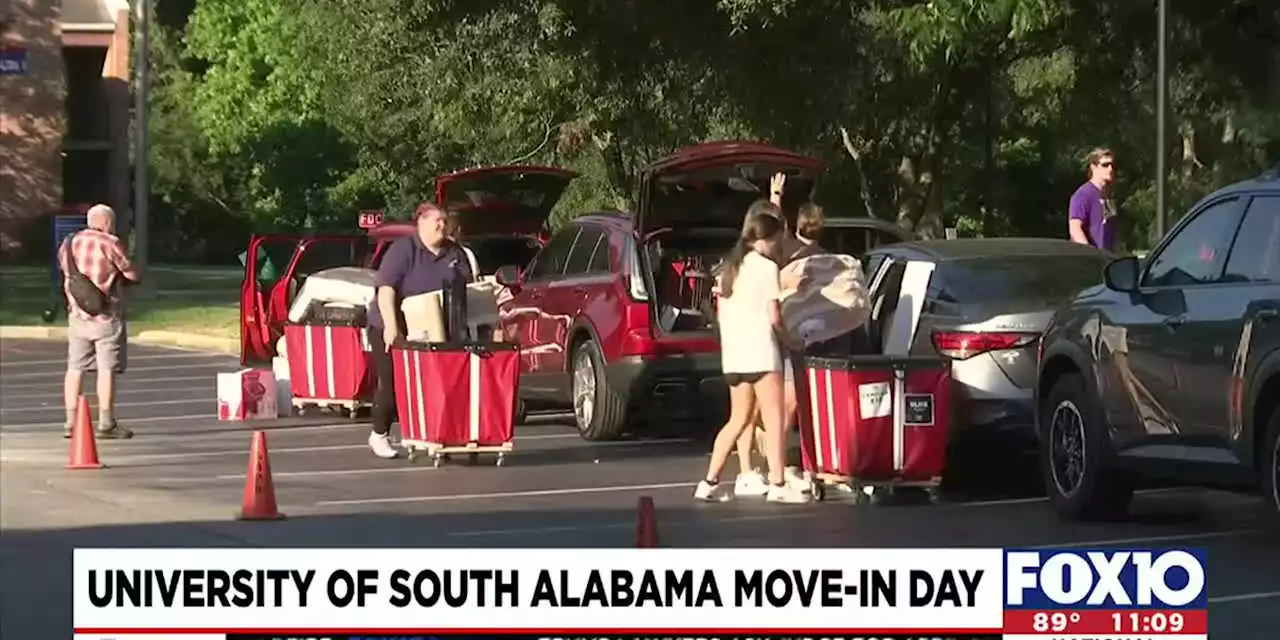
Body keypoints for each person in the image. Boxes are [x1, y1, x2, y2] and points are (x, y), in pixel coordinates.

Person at [696, 212, 810, 504]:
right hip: (761, 353)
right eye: (779, 239)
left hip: (734, 355)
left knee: (737, 420)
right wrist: (791, 341)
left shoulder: (728, 269)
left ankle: (709, 482)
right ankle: (778, 483)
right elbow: (774, 317)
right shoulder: (766, 268)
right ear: (768, 239)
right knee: (774, 420)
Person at [366, 202, 475, 458]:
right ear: (421, 222)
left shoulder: (454, 253)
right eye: (437, 220)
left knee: (438, 383)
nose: (442, 225)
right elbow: (386, 290)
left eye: (444, 220)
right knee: (392, 381)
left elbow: (467, 289)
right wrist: (391, 326)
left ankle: (434, 434)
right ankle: (379, 434)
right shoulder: (403, 250)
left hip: (436, 326)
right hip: (393, 323)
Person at [59, 204, 140, 439]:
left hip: (78, 316)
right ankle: (106, 422)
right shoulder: (110, 243)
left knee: (75, 368)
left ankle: (70, 421)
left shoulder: (68, 243)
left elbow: (65, 273)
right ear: (106, 222)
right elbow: (129, 272)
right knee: (106, 369)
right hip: (106, 316)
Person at [1068, 147, 1119, 251]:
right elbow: (1075, 229)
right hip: (1092, 261)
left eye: (1112, 165)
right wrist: (1090, 254)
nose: (1110, 169)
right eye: (1105, 165)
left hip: (1109, 259)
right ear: (1093, 167)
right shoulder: (1083, 195)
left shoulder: (1109, 195)